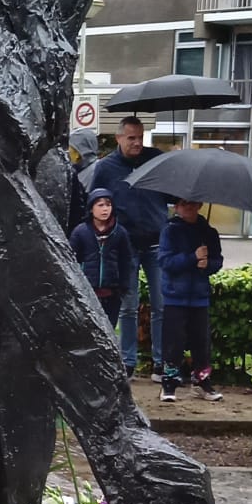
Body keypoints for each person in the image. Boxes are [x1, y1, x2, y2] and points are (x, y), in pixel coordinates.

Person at [90, 117, 166, 376]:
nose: (136, 142)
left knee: (161, 305)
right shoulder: (106, 168)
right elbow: (96, 201)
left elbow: (172, 195)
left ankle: (160, 362)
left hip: (157, 242)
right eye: (131, 137)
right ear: (119, 138)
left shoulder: (155, 159)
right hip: (126, 245)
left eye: (140, 137)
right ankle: (128, 362)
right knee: (129, 306)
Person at [158, 198, 223, 403]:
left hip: (199, 296)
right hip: (175, 296)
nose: (189, 207)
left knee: (201, 342)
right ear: (176, 207)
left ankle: (202, 381)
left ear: (200, 205)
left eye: (193, 203)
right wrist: (192, 257)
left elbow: (217, 261)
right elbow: (166, 262)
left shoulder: (209, 232)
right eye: (183, 204)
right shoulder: (170, 231)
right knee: (173, 342)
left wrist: (208, 264)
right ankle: (169, 383)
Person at [70, 187, 137, 336]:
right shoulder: (80, 232)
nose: (105, 209)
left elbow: (126, 261)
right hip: (88, 292)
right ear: (91, 208)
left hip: (111, 293)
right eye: (100, 205)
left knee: (108, 332)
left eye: (108, 204)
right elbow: (71, 259)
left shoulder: (120, 233)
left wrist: (123, 286)